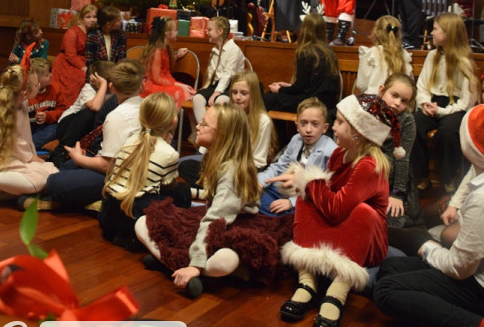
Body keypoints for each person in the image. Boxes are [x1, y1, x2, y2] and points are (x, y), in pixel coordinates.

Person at [374, 96, 484, 327]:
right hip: (481, 268)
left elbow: (459, 268)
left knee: (386, 290)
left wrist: (428, 249)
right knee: (391, 268)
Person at [271, 93, 402, 327]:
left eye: (341, 122)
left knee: (361, 211)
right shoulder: (338, 155)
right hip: (338, 226)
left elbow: (335, 209)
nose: (335, 126)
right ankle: (306, 283)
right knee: (305, 199)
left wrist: (306, 177)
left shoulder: (369, 164)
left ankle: (337, 293)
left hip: (367, 241)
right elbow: (325, 198)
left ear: (358, 132)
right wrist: (304, 185)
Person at [135, 103, 262, 298]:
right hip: (217, 218)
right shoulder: (215, 158)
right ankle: (179, 266)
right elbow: (215, 199)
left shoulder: (231, 172)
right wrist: (195, 194)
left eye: (204, 124)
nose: (197, 126)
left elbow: (217, 218)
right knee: (144, 222)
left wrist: (195, 264)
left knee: (226, 260)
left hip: (233, 226)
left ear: (221, 135)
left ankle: (183, 266)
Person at [19, 59, 145, 211]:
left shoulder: (117, 115)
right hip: (132, 171)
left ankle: (85, 202)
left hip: (120, 177)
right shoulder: (145, 105)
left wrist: (79, 157)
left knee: (54, 181)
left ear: (111, 86)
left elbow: (108, 166)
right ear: (142, 85)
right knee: (68, 166)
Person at [101, 92, 189, 250]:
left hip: (109, 216)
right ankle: (137, 238)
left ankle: (124, 236)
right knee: (182, 191)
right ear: (172, 122)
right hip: (136, 217)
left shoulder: (130, 139)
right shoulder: (169, 153)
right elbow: (169, 186)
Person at [429, 66, 484, 249]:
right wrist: (454, 205)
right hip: (474, 195)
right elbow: (473, 172)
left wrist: (464, 210)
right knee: (427, 213)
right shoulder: (481, 119)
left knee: (447, 236)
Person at [413, 12, 477, 193]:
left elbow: (466, 101)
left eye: (435, 29)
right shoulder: (432, 56)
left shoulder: (464, 61)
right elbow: (422, 85)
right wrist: (425, 103)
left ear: (448, 33)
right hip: (433, 103)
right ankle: (422, 175)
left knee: (448, 132)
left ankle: (448, 178)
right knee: (414, 124)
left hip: (453, 107)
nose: (431, 33)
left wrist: (441, 111)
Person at [0, 60, 57, 201]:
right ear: (24, 94)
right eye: (37, 85)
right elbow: (20, 150)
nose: (39, 86)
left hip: (14, 158)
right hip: (2, 159)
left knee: (51, 173)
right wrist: (36, 161)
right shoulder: (7, 111)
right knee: (42, 179)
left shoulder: (20, 101)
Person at [258, 97, 336, 217]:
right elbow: (279, 167)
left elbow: (326, 189)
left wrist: (292, 202)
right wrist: (259, 182)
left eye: (315, 124)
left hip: (306, 198)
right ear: (297, 125)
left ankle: (282, 214)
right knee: (256, 195)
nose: (308, 130)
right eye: (303, 123)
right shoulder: (296, 139)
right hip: (285, 189)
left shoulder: (330, 151)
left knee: (304, 213)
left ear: (325, 128)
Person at [264, 12, 340, 120]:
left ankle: (278, 136)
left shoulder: (306, 52)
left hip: (313, 103)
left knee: (269, 98)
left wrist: (280, 90)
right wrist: (288, 86)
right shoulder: (329, 53)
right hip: (329, 103)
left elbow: (301, 88)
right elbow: (310, 85)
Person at [378, 73, 420, 231]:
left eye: (404, 101)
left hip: (392, 174)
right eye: (394, 95)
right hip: (368, 168)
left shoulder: (406, 119)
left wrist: (397, 194)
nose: (397, 103)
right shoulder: (370, 109)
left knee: (392, 224)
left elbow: (403, 159)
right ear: (382, 91)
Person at [191, 16, 245, 123]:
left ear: (220, 31)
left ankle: (216, 133)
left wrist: (216, 93)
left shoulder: (233, 50)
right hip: (216, 85)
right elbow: (211, 74)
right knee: (197, 99)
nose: (207, 32)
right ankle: (203, 129)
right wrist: (204, 90)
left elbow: (228, 74)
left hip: (231, 86)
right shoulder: (215, 50)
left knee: (220, 100)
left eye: (210, 29)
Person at [51, 3, 98, 109]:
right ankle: (70, 108)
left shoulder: (94, 32)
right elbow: (70, 55)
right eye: (88, 17)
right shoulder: (72, 32)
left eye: (94, 17)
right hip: (68, 63)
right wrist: (84, 68)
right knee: (80, 79)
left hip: (85, 62)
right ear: (81, 18)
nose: (92, 20)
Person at [141, 17, 195, 108]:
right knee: (182, 94)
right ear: (167, 33)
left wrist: (177, 55)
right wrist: (178, 85)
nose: (177, 32)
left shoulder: (165, 48)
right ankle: (169, 120)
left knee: (192, 93)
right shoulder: (157, 51)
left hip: (165, 83)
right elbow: (157, 78)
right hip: (154, 86)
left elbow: (164, 64)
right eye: (175, 30)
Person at [356, 15, 413, 94]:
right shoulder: (404, 55)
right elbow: (409, 83)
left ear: (376, 32)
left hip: (374, 102)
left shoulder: (372, 53)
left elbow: (362, 84)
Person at [27, 57, 67, 149]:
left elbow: (62, 110)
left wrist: (48, 116)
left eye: (50, 72)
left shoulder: (55, 88)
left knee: (55, 129)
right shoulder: (26, 93)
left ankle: (28, 146)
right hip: (28, 125)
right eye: (46, 74)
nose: (51, 75)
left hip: (47, 125)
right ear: (36, 79)